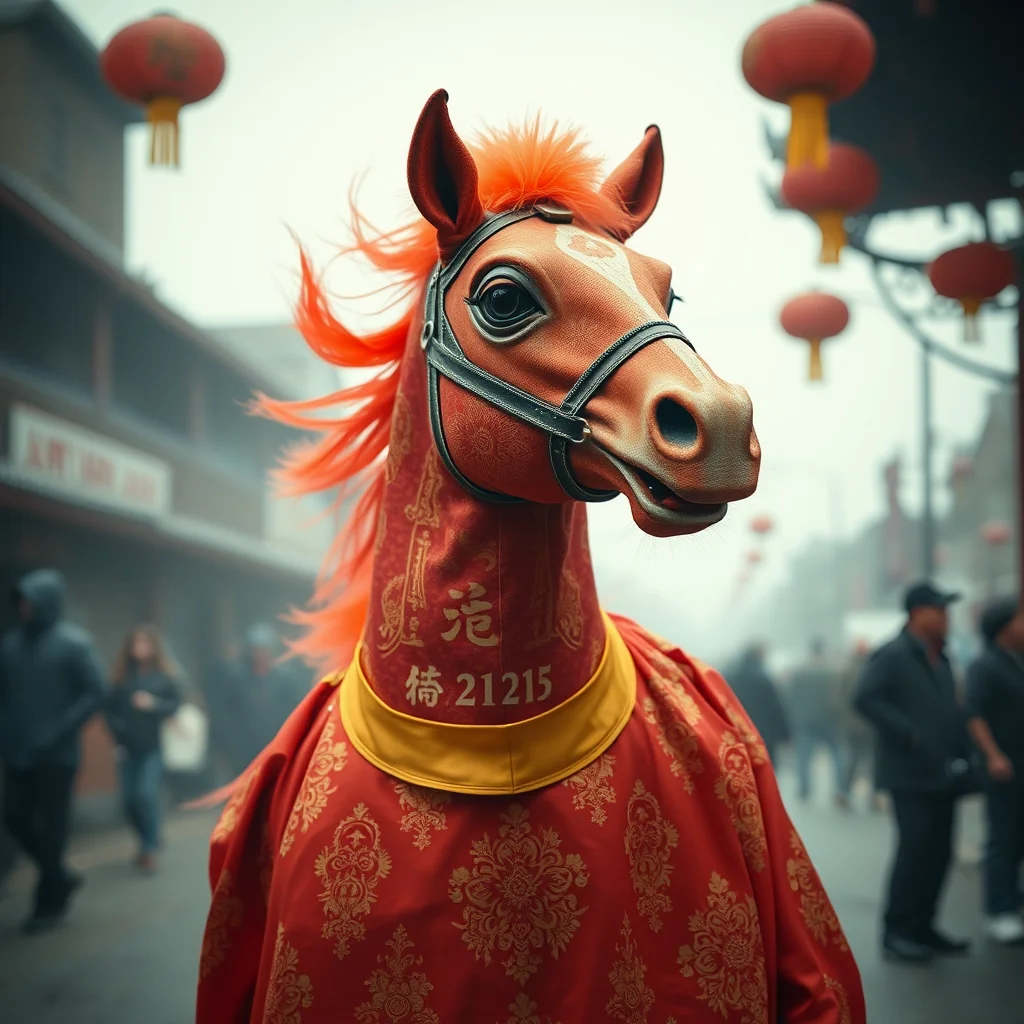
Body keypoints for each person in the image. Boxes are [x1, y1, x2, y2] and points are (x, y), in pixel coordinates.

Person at [855, 581, 974, 964]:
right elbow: (864, 698)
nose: (946, 617)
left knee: (940, 853)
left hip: (943, 771)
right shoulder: (893, 653)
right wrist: (909, 732)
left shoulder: (943, 656)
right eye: (940, 610)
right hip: (909, 773)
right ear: (918, 613)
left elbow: (951, 709)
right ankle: (897, 932)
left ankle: (924, 926)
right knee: (915, 851)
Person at [0, 569, 105, 933]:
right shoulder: (11, 645)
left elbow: (94, 691)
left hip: (57, 756)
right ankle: (59, 875)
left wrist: (59, 729)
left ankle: (47, 904)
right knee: (14, 818)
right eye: (21, 601)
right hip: (19, 753)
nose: (24, 607)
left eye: (30, 600)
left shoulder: (73, 643)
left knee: (52, 830)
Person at [965, 597, 1024, 945]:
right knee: (1003, 837)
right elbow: (974, 714)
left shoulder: (1017, 661)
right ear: (1004, 627)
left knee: (1018, 837)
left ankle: (1013, 898)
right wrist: (993, 755)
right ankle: (999, 911)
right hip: (1003, 764)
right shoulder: (984, 666)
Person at [104, 625, 182, 872]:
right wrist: (118, 734)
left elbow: (175, 705)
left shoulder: (162, 676)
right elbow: (109, 709)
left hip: (152, 746)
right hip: (126, 748)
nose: (140, 648)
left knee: (145, 795)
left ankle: (149, 848)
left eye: (145, 643)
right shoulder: (121, 677)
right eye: (136, 643)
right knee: (128, 802)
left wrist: (153, 704)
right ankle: (148, 837)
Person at [226, 624, 306, 775]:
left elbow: (294, 710)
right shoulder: (238, 679)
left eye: (265, 649)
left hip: (275, 741)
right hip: (246, 746)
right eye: (257, 649)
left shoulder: (285, 680)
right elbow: (230, 713)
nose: (261, 654)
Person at [789, 638, 848, 806]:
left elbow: (791, 697)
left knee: (804, 757)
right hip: (830, 720)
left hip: (806, 720)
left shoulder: (800, 671)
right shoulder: (833, 671)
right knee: (838, 755)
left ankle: (804, 788)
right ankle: (840, 789)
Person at [725, 642, 791, 765]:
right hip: (763, 734)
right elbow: (775, 708)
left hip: (739, 732)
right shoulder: (764, 680)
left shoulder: (730, 679)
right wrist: (785, 734)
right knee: (765, 767)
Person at [836, 638, 880, 810]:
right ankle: (875, 797)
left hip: (852, 725)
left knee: (852, 759)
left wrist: (845, 717)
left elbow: (836, 698)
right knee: (872, 761)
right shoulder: (874, 670)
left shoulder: (846, 670)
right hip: (870, 724)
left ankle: (843, 793)